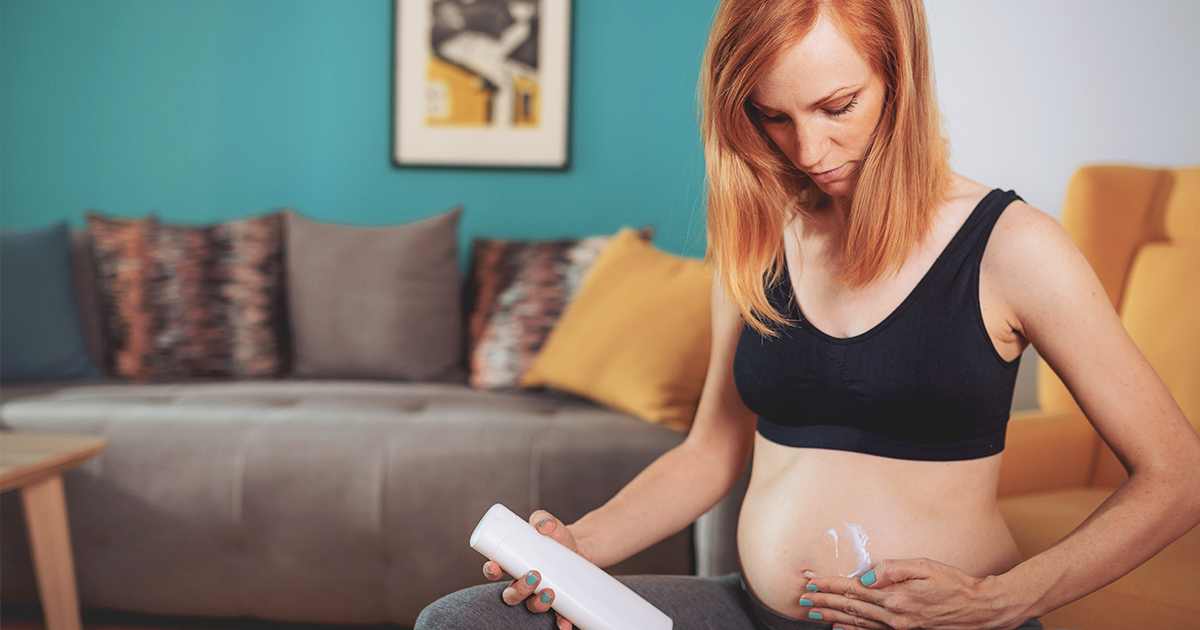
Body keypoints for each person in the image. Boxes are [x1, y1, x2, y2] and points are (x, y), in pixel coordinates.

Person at [415, 0, 1200, 628]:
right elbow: (711, 451)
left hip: (938, 627)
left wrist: (1006, 599)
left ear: (900, 76)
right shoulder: (762, 235)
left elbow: (1178, 475)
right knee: (465, 622)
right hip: (751, 610)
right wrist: (580, 547)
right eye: (774, 117)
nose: (808, 150)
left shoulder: (1014, 247)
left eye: (837, 106)